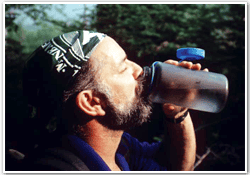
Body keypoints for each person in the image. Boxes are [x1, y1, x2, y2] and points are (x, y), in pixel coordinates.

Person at [20, 30, 208, 171]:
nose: (139, 70)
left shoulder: (119, 149)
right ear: (92, 102)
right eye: (123, 67)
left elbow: (173, 165)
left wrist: (177, 112)